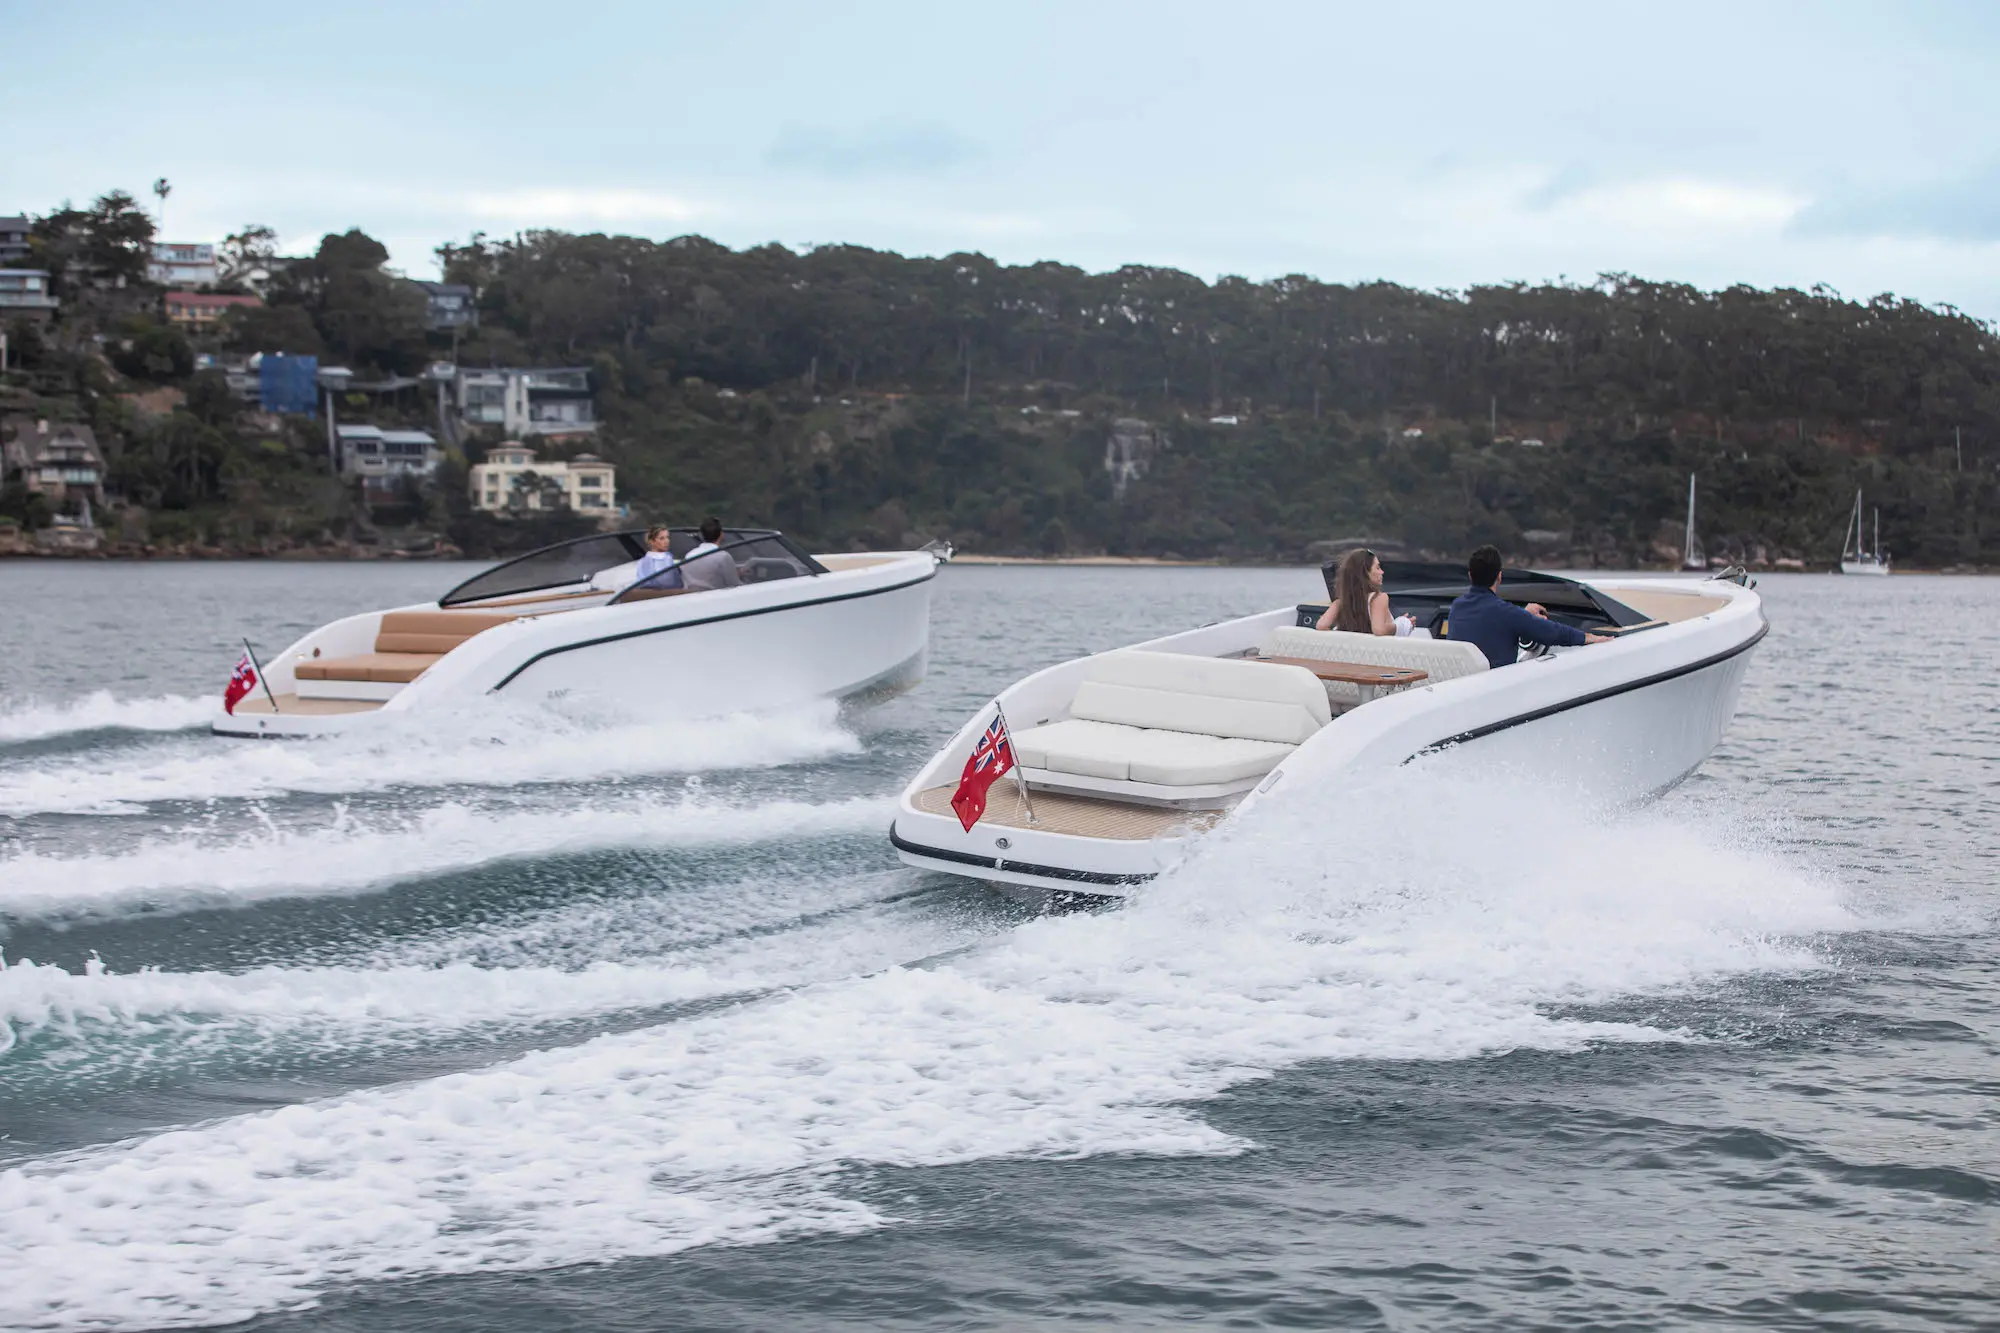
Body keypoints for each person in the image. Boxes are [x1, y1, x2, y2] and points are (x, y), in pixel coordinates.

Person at [1447, 544, 1612, 667]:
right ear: (1499, 576)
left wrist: (1523, 614)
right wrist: (1589, 637)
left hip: (1465, 687)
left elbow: (1491, 618)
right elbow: (1551, 632)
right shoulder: (1506, 614)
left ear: (1470, 576)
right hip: (1497, 692)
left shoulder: (1457, 607)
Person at [1315, 548, 1414, 635]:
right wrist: (1401, 624)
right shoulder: (1378, 598)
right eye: (1378, 567)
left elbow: (1321, 625)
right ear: (1365, 573)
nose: (1382, 572)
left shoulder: (1341, 602)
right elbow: (1379, 630)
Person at [679, 516, 743, 591]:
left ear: (702, 535)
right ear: (721, 535)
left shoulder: (688, 556)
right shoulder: (723, 557)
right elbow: (735, 585)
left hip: (690, 598)